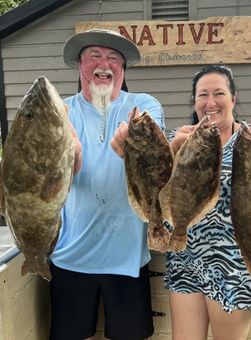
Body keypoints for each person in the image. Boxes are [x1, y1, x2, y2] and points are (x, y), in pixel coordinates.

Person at [164, 64, 251, 340]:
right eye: (202, 94)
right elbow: (159, 191)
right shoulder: (180, 139)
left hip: (235, 267)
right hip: (185, 261)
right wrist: (172, 151)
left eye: (219, 93)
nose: (210, 102)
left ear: (233, 98)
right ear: (194, 100)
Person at [49, 28, 166, 340]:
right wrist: (67, 154)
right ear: (80, 66)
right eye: (95, 56)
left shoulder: (143, 105)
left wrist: (136, 144)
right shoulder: (60, 111)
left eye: (114, 58)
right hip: (69, 256)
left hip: (127, 259)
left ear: (123, 69)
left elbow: (155, 147)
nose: (105, 63)